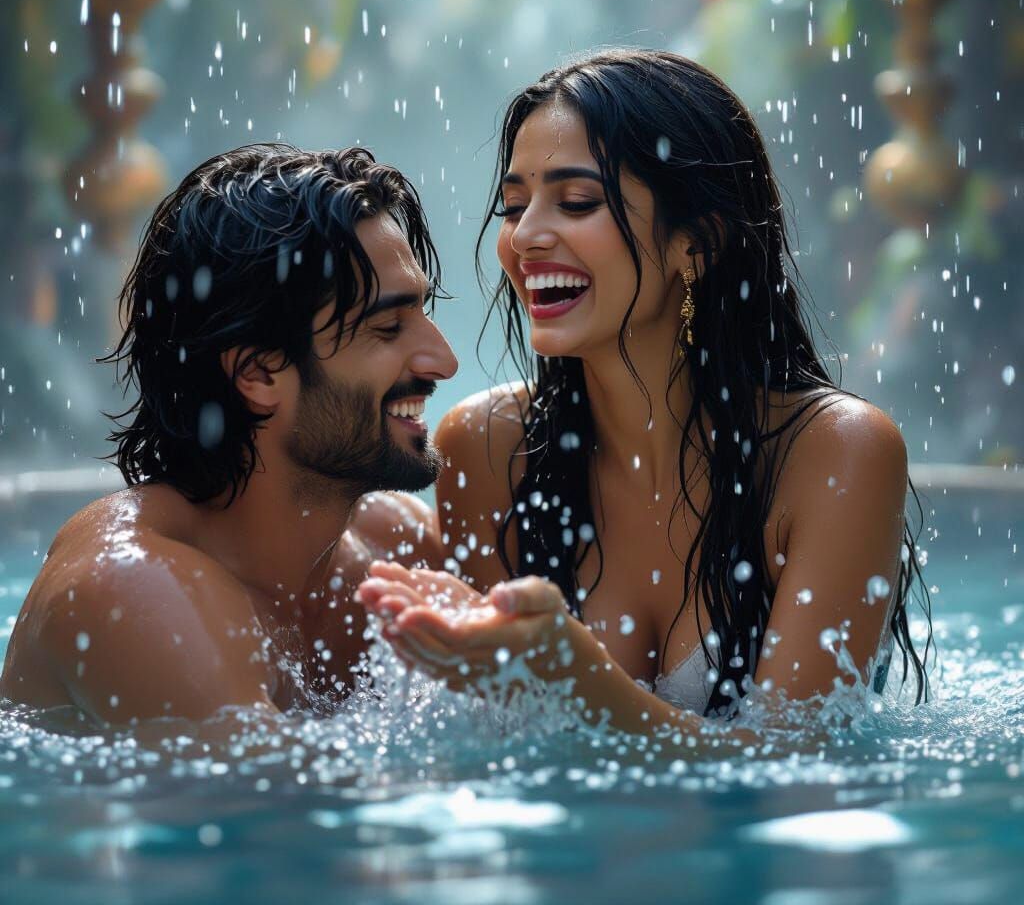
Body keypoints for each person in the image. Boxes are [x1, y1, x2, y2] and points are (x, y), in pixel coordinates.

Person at [355, 49, 933, 735]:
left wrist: (572, 678)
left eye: (576, 202)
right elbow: (502, 762)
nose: (526, 236)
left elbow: (794, 770)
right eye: (513, 205)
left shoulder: (837, 455)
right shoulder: (487, 449)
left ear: (698, 243)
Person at [0, 144, 458, 727]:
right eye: (389, 327)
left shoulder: (398, 549)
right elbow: (277, 812)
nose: (444, 361)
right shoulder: (133, 588)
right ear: (259, 374)